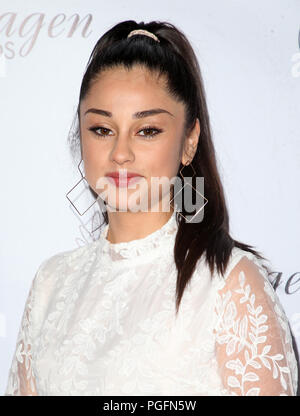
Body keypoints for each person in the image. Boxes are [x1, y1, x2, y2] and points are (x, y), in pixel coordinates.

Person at [5, 20, 298, 396]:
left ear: (189, 141)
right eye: (102, 129)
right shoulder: (51, 283)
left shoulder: (231, 283)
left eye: (147, 130)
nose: (120, 153)